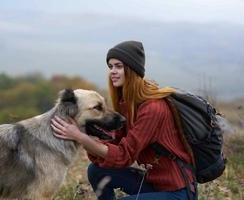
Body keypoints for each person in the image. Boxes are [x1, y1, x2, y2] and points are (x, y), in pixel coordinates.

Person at [51, 40, 195, 200]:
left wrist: (80, 138)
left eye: (118, 66)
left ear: (132, 69)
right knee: (96, 171)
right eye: (110, 66)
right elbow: (113, 145)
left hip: (177, 192)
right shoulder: (128, 103)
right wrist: (86, 130)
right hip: (152, 184)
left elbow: (123, 156)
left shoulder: (153, 109)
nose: (112, 71)